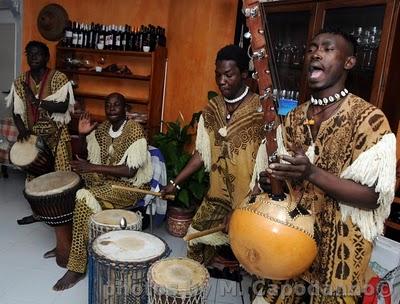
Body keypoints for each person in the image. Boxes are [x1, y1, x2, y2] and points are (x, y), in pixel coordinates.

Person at [252, 30, 396, 303]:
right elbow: (287, 184)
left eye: (328, 49)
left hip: (340, 252)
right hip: (290, 241)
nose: (316, 54)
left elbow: (373, 197)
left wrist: (311, 172)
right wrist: (271, 182)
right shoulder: (293, 117)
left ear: (349, 62)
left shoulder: (369, 119)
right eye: (312, 49)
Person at [162, 44, 264, 264]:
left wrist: (240, 210)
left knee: (253, 256)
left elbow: (267, 167)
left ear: (244, 75)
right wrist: (175, 182)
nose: (221, 81)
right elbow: (202, 153)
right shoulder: (212, 108)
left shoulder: (261, 111)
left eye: (228, 75)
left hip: (250, 199)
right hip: (217, 195)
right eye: (217, 75)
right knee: (195, 239)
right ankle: (193, 287)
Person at [53, 92, 152, 291]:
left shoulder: (135, 130)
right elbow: (85, 155)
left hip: (129, 187)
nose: (112, 108)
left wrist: (92, 168)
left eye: (117, 105)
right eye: (108, 105)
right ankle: (68, 242)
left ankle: (77, 266)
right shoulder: (103, 129)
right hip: (106, 182)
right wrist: (81, 135)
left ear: (126, 109)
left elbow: (129, 170)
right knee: (74, 181)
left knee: (83, 197)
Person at [5, 40, 75, 225]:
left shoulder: (59, 77)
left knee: (62, 176)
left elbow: (63, 105)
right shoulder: (20, 81)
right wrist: (22, 130)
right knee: (33, 178)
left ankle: (62, 215)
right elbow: (16, 110)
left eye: (38, 54)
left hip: (58, 135)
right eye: (30, 54)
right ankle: (38, 213)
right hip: (33, 138)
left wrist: (37, 102)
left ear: (47, 57)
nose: (34, 57)